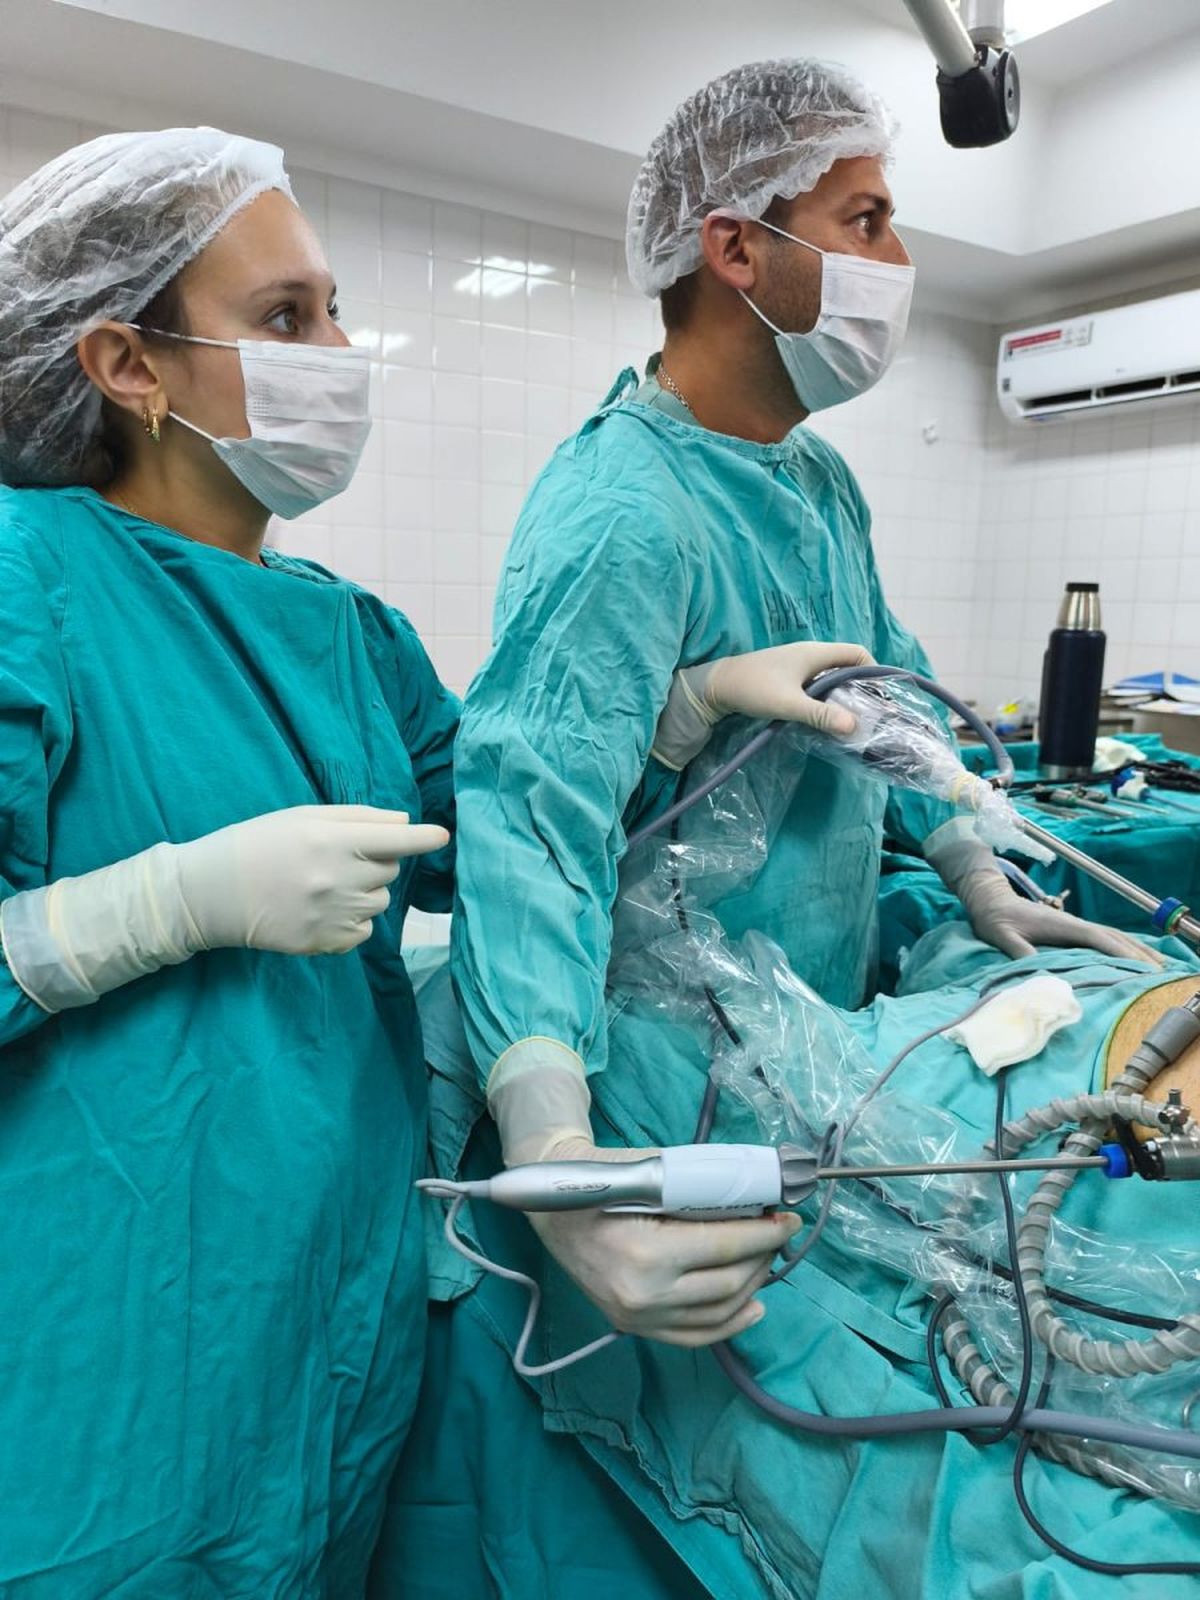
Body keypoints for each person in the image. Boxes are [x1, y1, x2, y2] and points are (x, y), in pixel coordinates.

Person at [379, 57, 1154, 1598]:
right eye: (866, 219)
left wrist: (968, 865)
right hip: (652, 1060)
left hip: (806, 1026)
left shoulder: (814, 481)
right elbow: (528, 831)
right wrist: (560, 1161)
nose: (899, 260)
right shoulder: (624, 510)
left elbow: (883, 685)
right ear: (735, 247)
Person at [0, 127, 460, 1596]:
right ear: (127, 364)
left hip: (325, 1325)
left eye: (332, 310)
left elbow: (511, 834)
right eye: (284, 317)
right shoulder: (24, 578)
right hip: (105, 1357)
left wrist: (678, 711)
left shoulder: (353, 633)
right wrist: (169, 901)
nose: (338, 354)